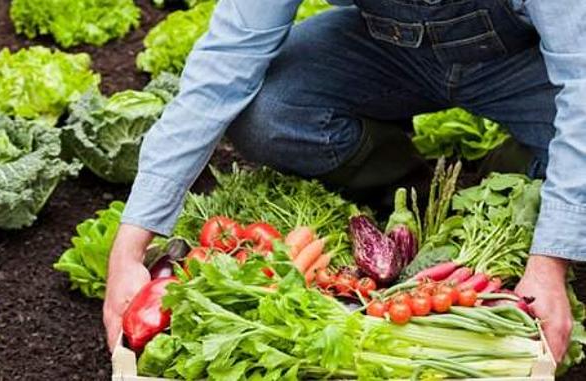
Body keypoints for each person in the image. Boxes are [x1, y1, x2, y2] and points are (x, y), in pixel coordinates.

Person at [104, 0, 583, 364]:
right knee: (269, 113)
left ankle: (519, 173)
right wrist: (131, 244)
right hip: (389, 50)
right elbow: (224, 64)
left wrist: (549, 263)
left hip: (523, 60)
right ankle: (400, 178)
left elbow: (581, 88)